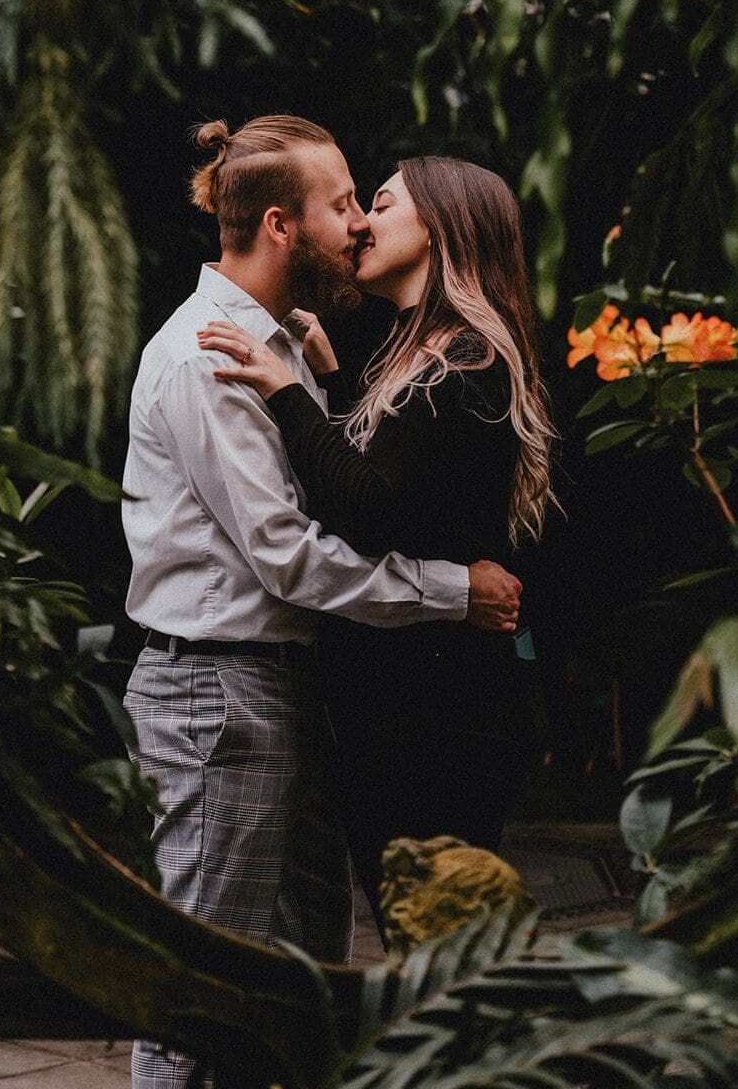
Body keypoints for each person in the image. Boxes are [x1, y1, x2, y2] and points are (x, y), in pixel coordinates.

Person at [122, 117, 522, 1089]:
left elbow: (343, 483)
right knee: (203, 981)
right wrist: (448, 591)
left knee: (300, 972)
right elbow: (293, 558)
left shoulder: (283, 343)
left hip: (279, 689)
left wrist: (314, 382)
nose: (355, 221)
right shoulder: (209, 359)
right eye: (344, 201)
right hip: (220, 691)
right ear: (278, 225)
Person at [198, 155, 555, 917]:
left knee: (441, 946)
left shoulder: (467, 362)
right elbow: (390, 488)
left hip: (438, 719)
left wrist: (289, 392)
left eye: (381, 204)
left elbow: (367, 509)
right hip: (408, 706)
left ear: (437, 229)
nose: (360, 222)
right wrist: (323, 390)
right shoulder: (423, 353)